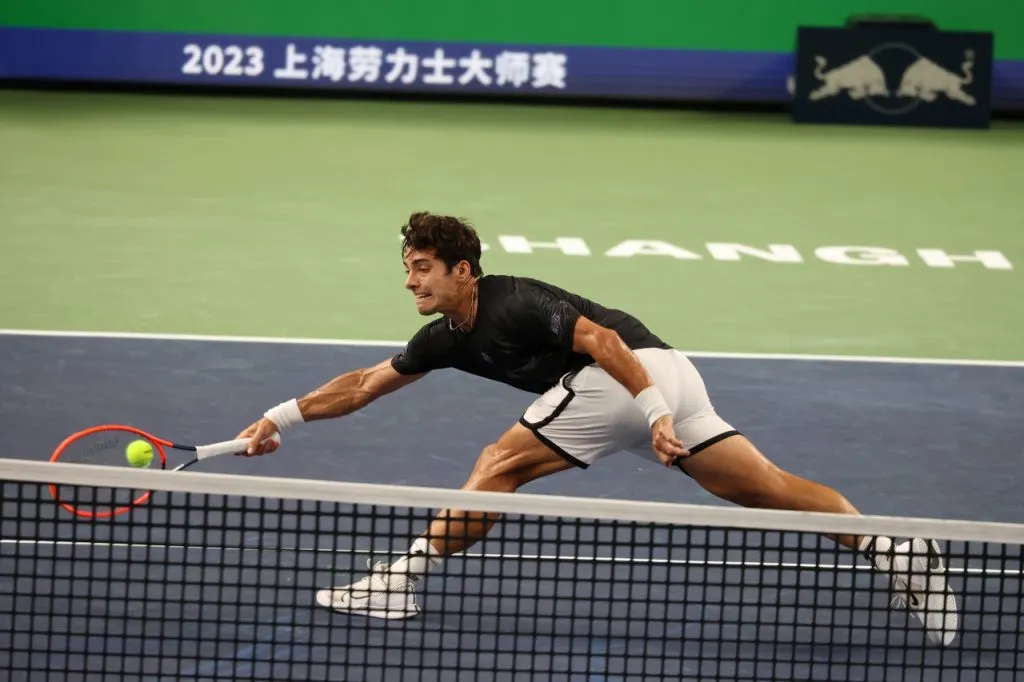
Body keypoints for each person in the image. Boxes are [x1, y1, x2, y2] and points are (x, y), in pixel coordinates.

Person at [235, 211, 958, 645]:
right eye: (407, 270)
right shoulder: (443, 339)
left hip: (632, 378)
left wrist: (656, 413)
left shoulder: (514, 301)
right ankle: (895, 549)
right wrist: (277, 417)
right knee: (764, 487)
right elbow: (364, 386)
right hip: (668, 376)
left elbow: (602, 342)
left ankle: (399, 581)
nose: (410, 281)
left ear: (463, 269)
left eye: (423, 268)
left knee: (499, 462)